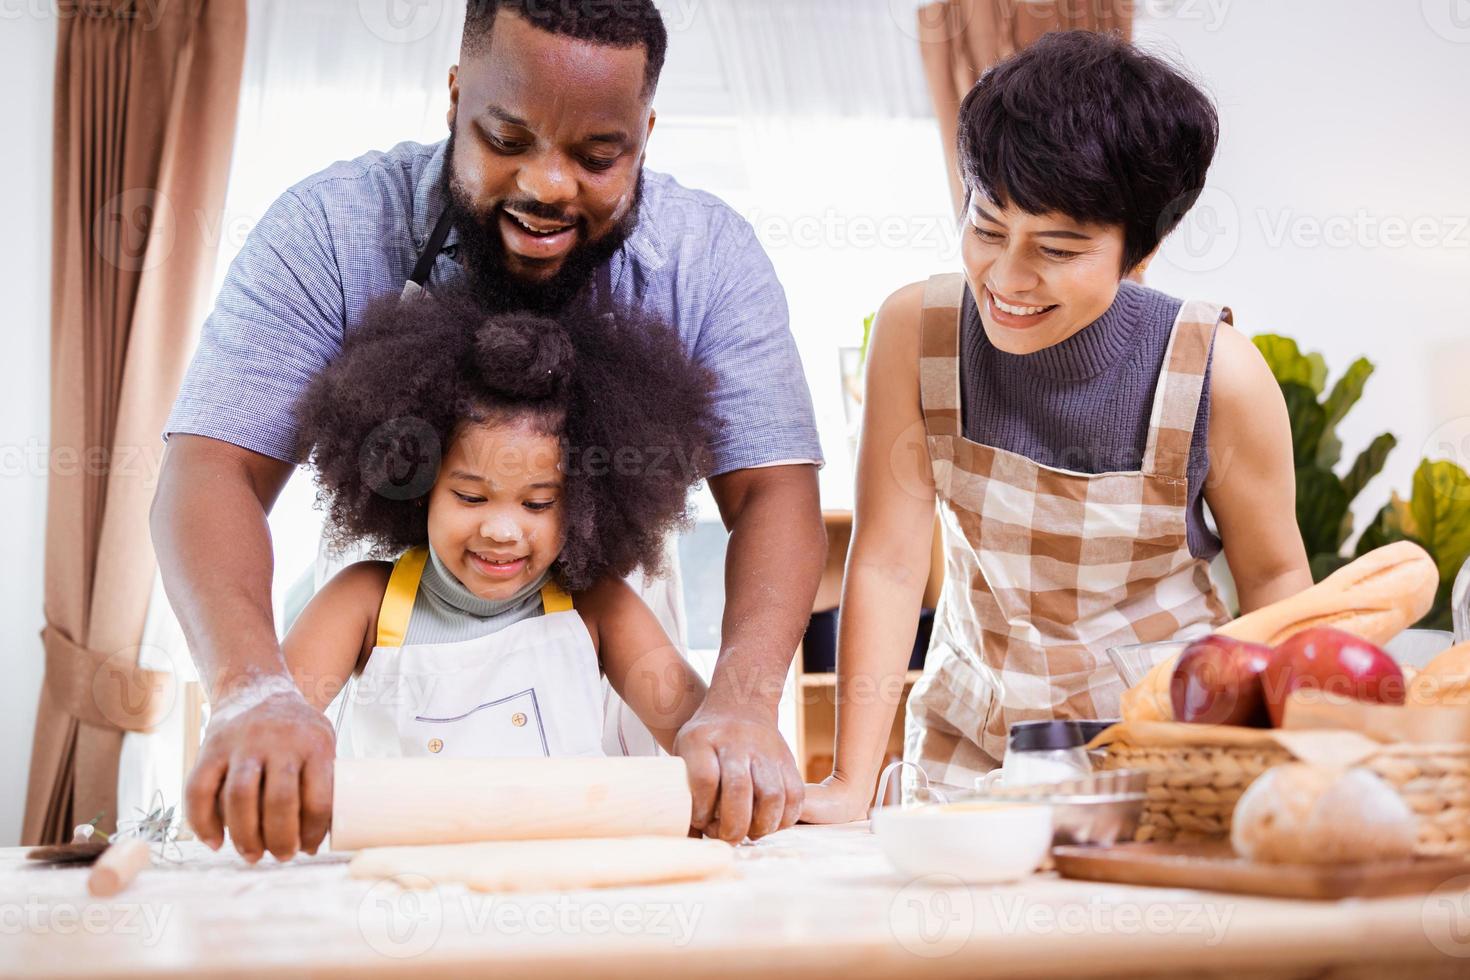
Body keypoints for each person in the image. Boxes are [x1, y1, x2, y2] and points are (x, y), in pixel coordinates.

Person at [153, 0, 824, 863]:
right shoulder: (328, 228)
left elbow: (775, 490)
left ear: (646, 134)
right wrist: (253, 692)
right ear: (455, 97)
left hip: (602, 773)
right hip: (384, 812)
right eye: (506, 141)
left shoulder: (709, 258)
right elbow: (211, 469)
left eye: (596, 155)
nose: (547, 186)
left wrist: (739, 703)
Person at [801, 32, 1312, 820]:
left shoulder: (1219, 373)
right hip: (969, 751)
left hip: (1164, 755)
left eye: (1058, 248)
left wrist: (1291, 764)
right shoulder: (916, 331)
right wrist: (847, 785)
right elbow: (890, 566)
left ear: (1143, 249)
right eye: (987, 226)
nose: (1006, 278)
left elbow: (1277, 583)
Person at [282, 288, 713, 761]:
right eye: (470, 497)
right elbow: (275, 728)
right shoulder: (363, 602)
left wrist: (770, 781)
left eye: (538, 503)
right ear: (418, 482)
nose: (502, 531)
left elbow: (708, 739)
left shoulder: (599, 608)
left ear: (586, 505)